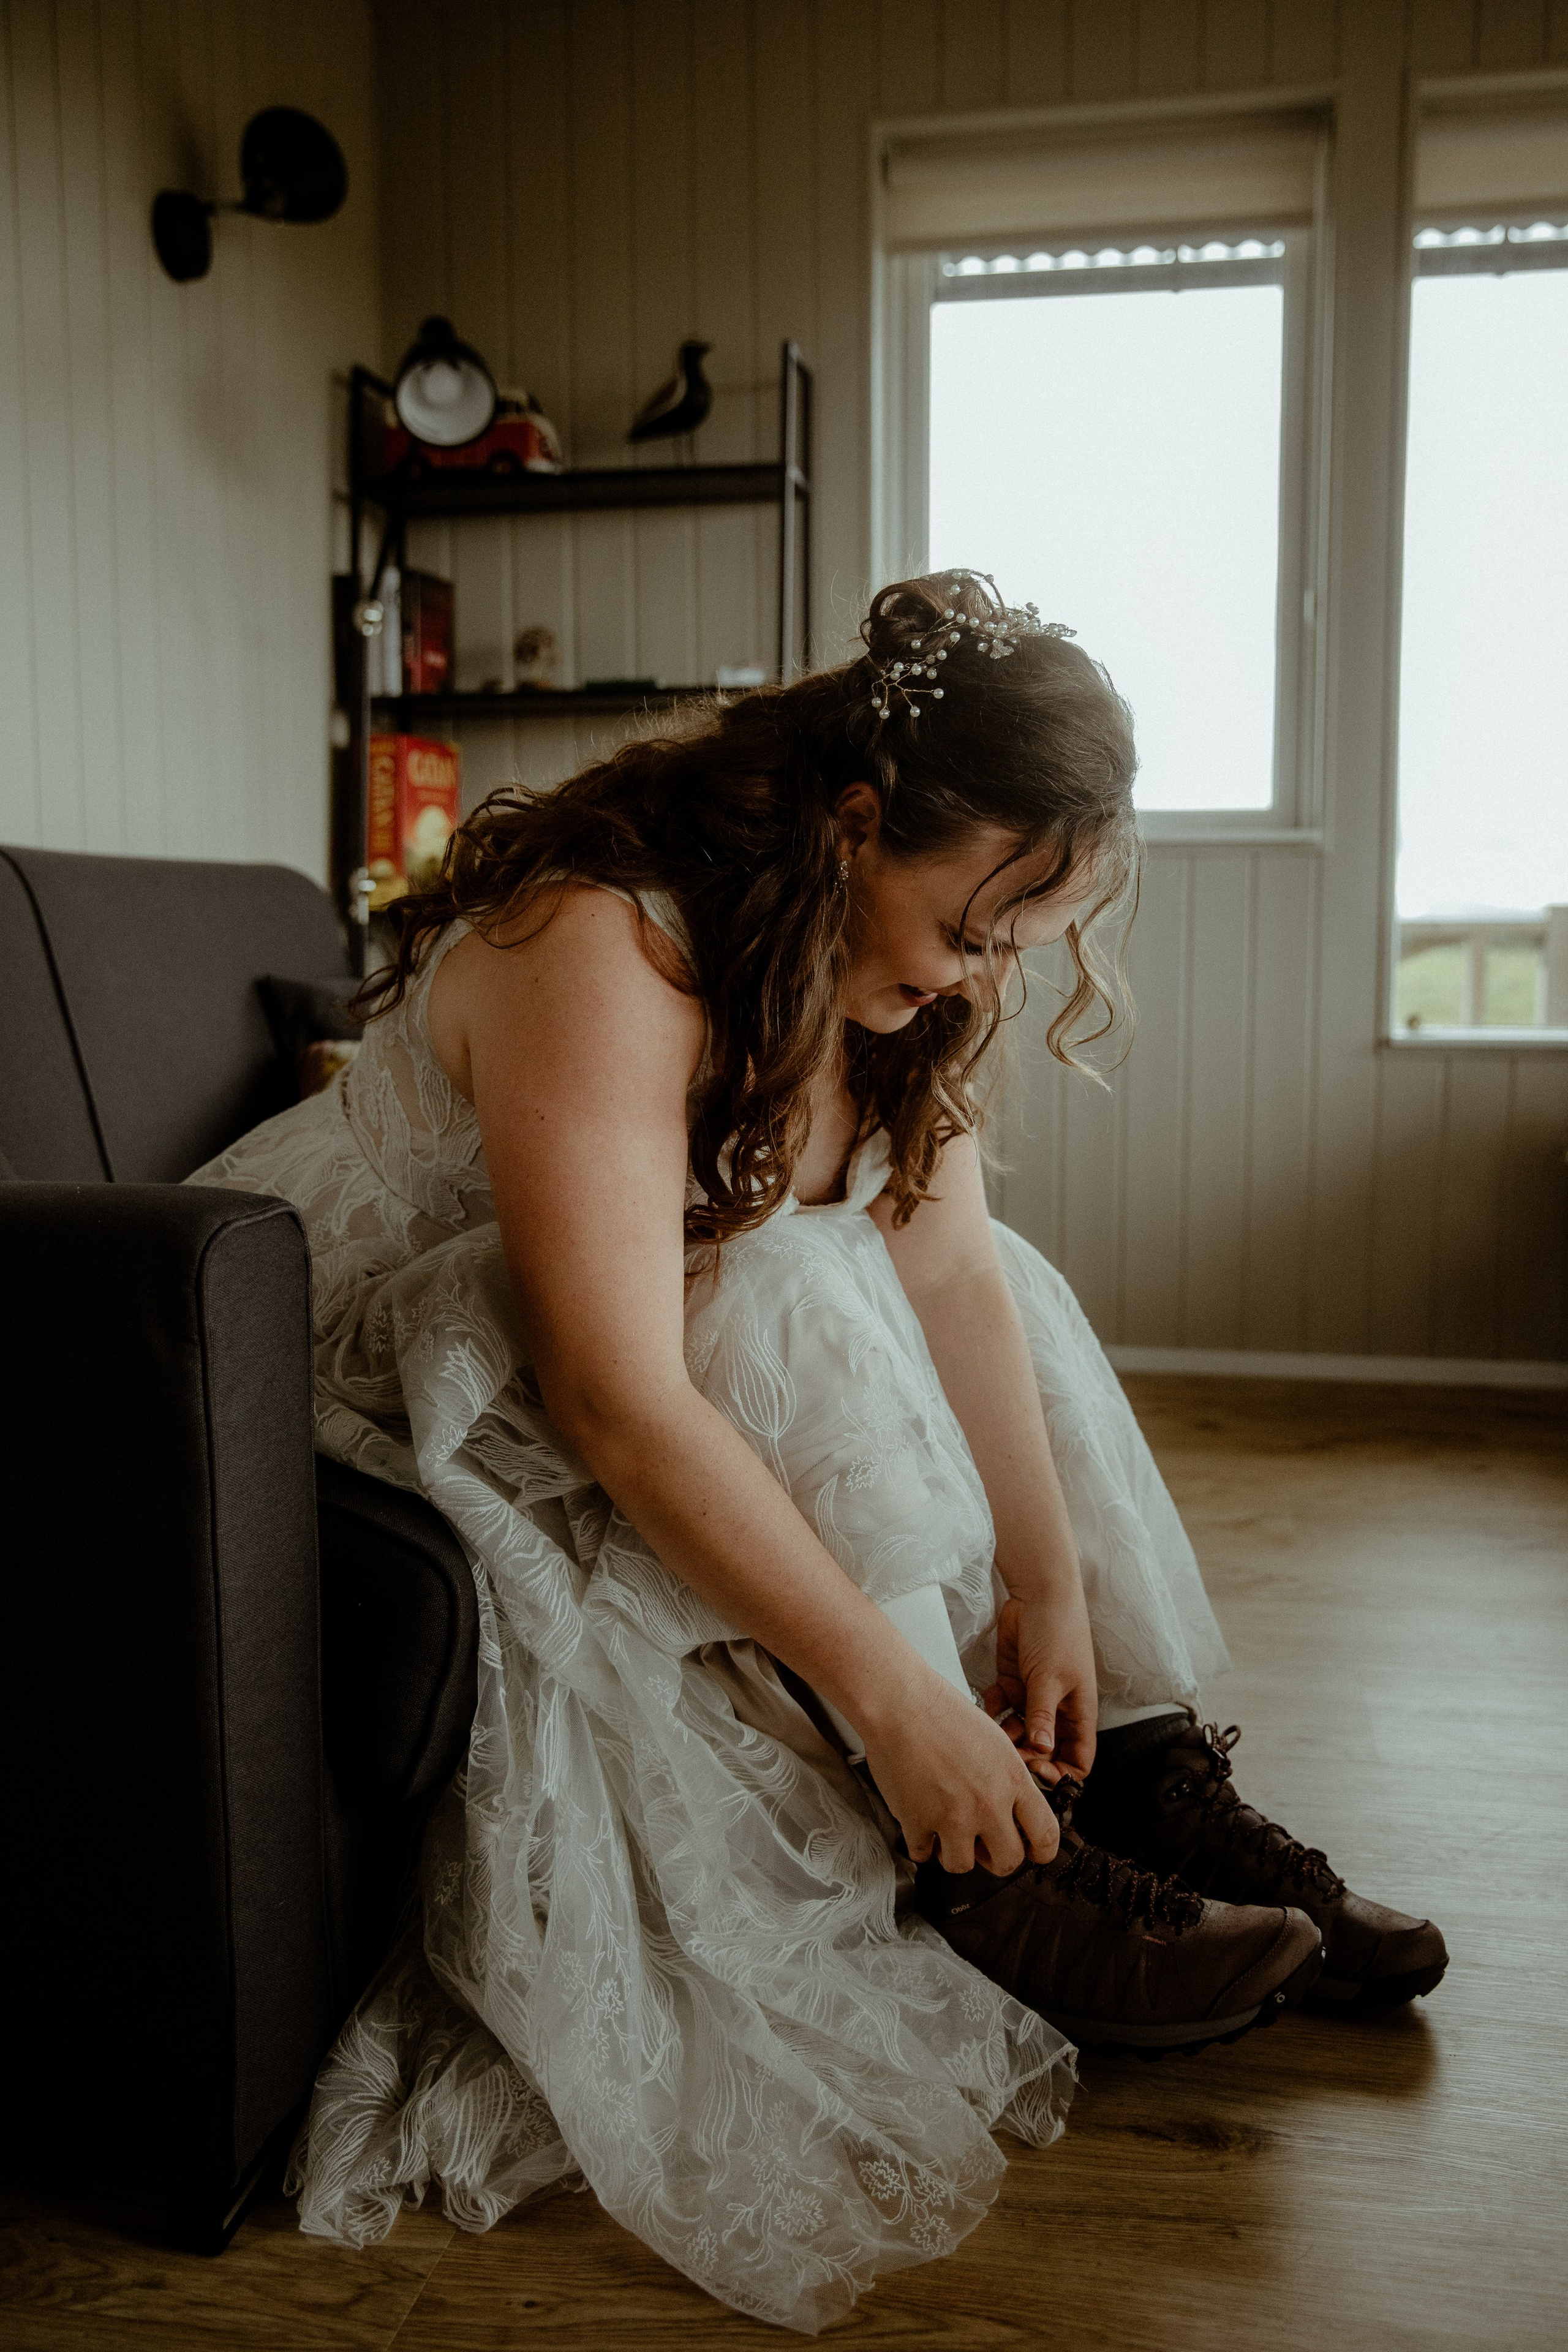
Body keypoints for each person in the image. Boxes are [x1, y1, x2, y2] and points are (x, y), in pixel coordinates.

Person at [190, 573, 1446, 2333]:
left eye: (1015, 942)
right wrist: (898, 1699)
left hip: (614, 1318)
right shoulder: (602, 934)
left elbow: (944, 1258)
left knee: (988, 1273)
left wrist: (1049, 1575)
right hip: (350, 1348)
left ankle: (1137, 1772)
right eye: (977, 924)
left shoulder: (895, 964)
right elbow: (619, 1392)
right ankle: (991, 1866)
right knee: (781, 1283)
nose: (979, 972)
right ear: (857, 822)